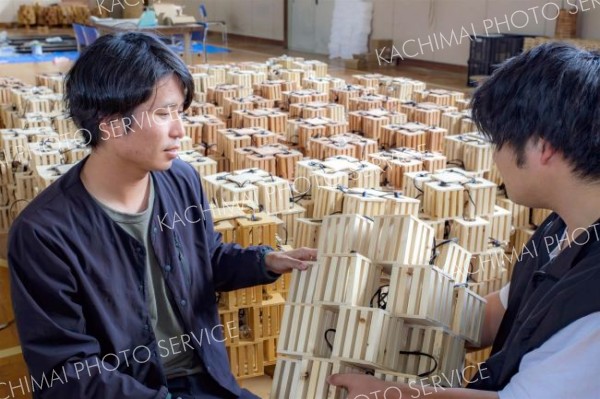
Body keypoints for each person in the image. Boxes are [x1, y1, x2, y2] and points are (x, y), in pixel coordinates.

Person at [9, 32, 316, 399]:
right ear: (109, 123)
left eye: (180, 113)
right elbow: (67, 371)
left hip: (208, 381)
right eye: (163, 113)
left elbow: (205, 258)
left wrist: (265, 261)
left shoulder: (180, 179)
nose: (180, 130)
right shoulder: (45, 233)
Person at [329, 42, 600, 398]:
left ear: (541, 147)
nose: (495, 156)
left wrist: (389, 393)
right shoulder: (563, 226)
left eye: (499, 140)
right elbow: (499, 313)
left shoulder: (592, 303)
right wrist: (396, 312)